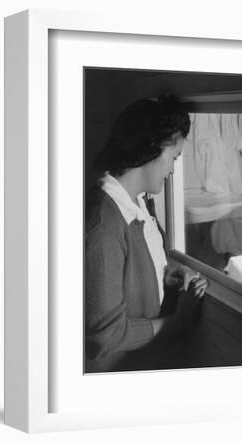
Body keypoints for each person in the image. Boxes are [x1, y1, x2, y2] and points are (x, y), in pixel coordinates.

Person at [85, 95, 208, 373]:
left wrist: (168, 274)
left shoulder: (136, 202)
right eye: (173, 157)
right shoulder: (103, 227)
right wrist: (175, 323)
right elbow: (105, 337)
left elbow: (129, 270)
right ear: (153, 147)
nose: (173, 169)